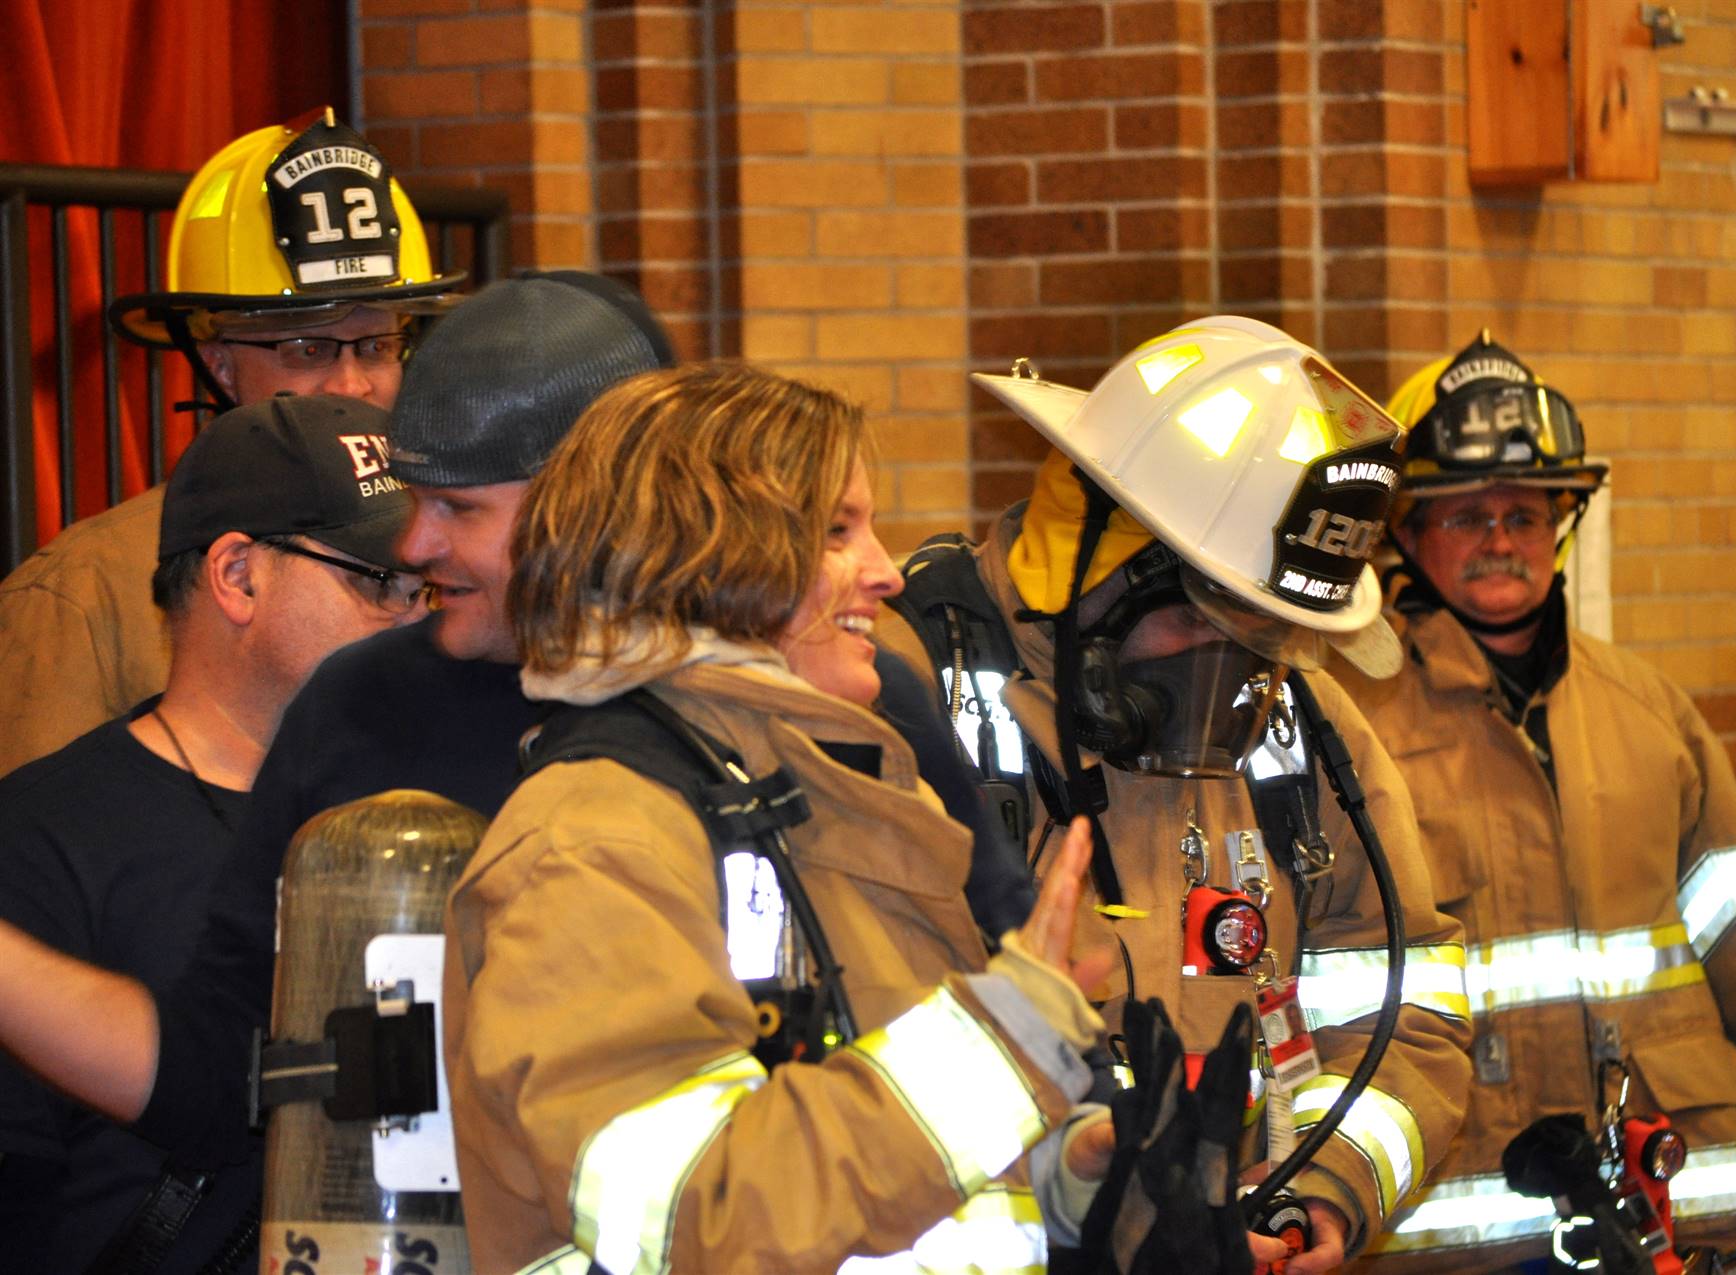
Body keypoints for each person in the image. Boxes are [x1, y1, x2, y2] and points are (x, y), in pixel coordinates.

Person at [0, 273, 1029, 1193]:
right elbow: (224, 1073)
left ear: (592, 504)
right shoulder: (361, 707)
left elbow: (1001, 993)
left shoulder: (846, 701)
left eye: (456, 508)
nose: (414, 544)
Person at [445, 361, 1107, 1272]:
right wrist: (1005, 1049)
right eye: (837, 533)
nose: (883, 572)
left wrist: (1063, 1178)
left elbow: (875, 1161)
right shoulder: (597, 838)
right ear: (704, 556)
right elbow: (696, 1220)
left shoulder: (819, 791)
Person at [878, 316, 1476, 1272]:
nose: (1245, 679)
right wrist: (1108, 1224)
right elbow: (861, 1078)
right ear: (1102, 572)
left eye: (1273, 641)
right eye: (1211, 625)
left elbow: (1410, 1007)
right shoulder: (905, 701)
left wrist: (1323, 1190)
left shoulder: (1302, 726)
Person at [1332, 333, 1736, 1270]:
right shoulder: (1352, 729)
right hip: (1468, 1216)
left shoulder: (1651, 713)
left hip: (1670, 1194)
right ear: (1406, 537)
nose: (1501, 537)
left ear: (1561, 527)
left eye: (1525, 513)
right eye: (1466, 516)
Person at [0, 393, 424, 1271]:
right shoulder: (41, 838)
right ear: (238, 575)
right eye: (378, 582)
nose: (416, 615)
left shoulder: (427, 811)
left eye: (429, 585)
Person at [0, 107, 460, 775]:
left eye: (378, 344)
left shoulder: (455, 552)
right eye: (307, 347)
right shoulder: (85, 596)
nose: (354, 384)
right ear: (218, 363)